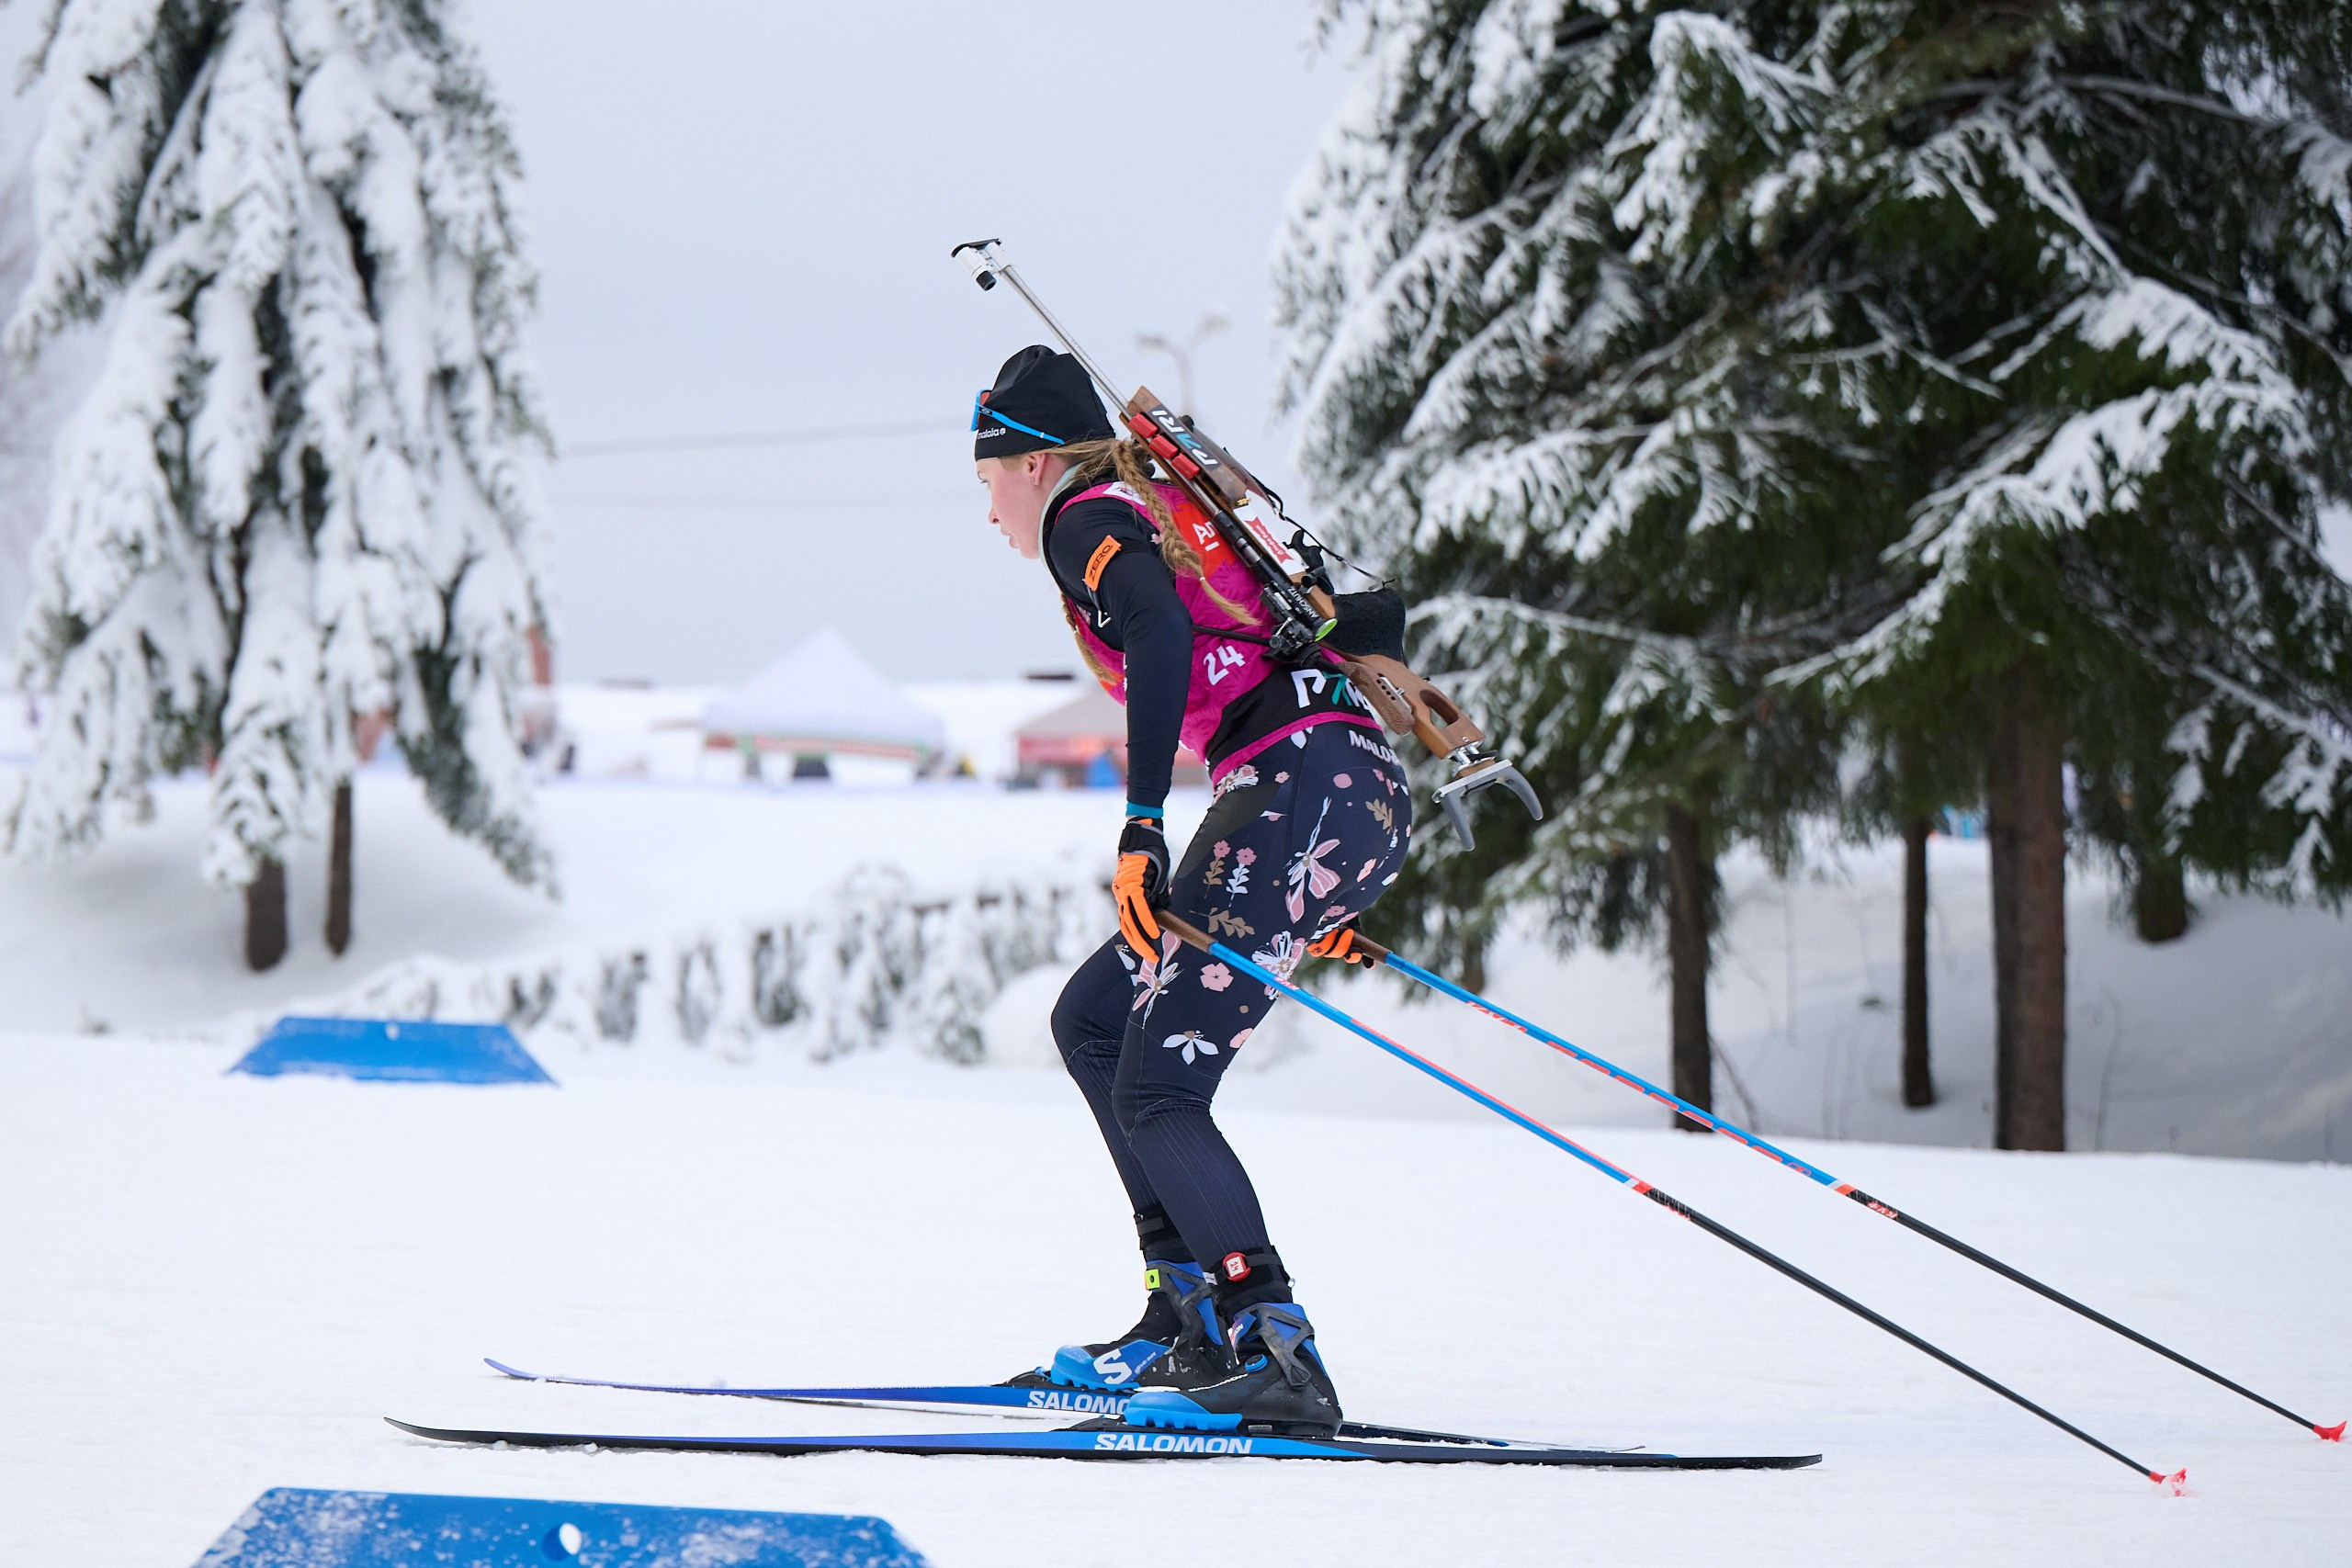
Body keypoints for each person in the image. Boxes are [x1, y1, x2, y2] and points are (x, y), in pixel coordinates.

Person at [973, 345, 1410, 1435]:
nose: (989, 512)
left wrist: (1138, 826)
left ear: (1031, 464)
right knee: (1093, 1023)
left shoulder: (1085, 518)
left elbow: (1162, 633)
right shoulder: (1169, 513)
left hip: (1291, 792)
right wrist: (1313, 893)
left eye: (986, 481)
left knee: (1159, 1089)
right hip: (1325, 798)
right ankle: (1186, 1315)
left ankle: (1272, 1341)